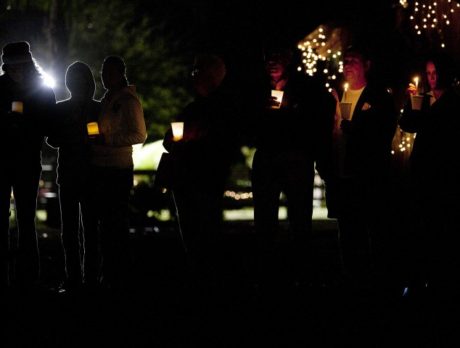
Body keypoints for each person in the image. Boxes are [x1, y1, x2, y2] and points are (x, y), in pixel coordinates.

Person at [250, 42, 336, 290]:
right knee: (265, 219)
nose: (271, 62)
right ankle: (268, 271)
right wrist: (262, 115)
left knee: (300, 218)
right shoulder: (258, 88)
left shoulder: (307, 88)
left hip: (296, 158)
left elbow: (320, 115)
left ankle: (303, 271)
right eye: (268, 56)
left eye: (277, 56)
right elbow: (246, 120)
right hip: (267, 157)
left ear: (289, 59)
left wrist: (292, 113)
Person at [162, 53, 239, 293]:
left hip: (206, 181)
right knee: (190, 233)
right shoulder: (191, 108)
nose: (193, 76)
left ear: (213, 76)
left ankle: (209, 282)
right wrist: (178, 139)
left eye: (198, 71)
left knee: (205, 233)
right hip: (185, 180)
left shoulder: (223, 108)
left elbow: (223, 144)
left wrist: (191, 139)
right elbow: (169, 139)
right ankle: (198, 277)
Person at [330, 45, 398, 291]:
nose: (347, 64)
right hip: (340, 175)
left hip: (367, 177)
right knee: (346, 231)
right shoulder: (336, 95)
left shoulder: (379, 96)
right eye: (345, 60)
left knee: (372, 231)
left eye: (353, 60)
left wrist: (356, 132)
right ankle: (350, 278)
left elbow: (383, 132)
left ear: (367, 64)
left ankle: (377, 282)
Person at [399, 53, 460, 294]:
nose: (432, 78)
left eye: (436, 73)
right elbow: (407, 124)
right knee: (419, 224)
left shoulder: (454, 102)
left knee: (442, 225)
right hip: (422, 170)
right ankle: (418, 278)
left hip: (444, 171)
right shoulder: (422, 100)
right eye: (429, 74)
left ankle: (441, 279)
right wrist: (411, 105)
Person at [86, 55, 147, 290]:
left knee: (115, 224)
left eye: (108, 71)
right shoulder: (109, 99)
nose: (104, 76)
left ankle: (119, 275)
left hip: (117, 169)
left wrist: (107, 139)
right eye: (102, 71)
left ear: (120, 73)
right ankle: (111, 273)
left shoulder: (129, 101)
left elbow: (139, 135)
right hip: (102, 167)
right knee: (107, 225)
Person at [0, 41, 56, 290]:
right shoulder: (0, 88)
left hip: (27, 160)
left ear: (28, 65)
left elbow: (49, 126)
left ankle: (28, 275)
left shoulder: (42, 90)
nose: (16, 72)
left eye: (20, 66)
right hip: (2, 159)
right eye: (12, 67)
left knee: (26, 218)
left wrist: (26, 124)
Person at [46, 61, 101, 292]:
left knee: (90, 229)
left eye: (80, 80)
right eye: (74, 80)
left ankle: (89, 277)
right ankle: (75, 277)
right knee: (70, 231)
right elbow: (52, 139)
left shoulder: (98, 108)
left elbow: (102, 136)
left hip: (90, 172)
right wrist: (68, 131)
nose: (77, 84)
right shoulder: (61, 108)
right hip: (69, 174)